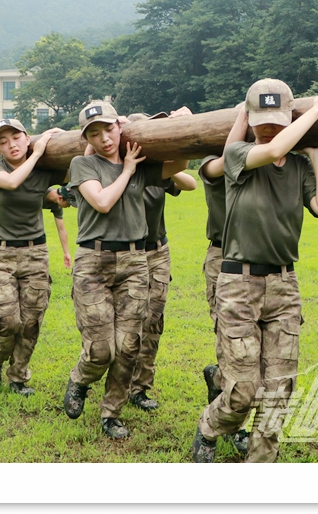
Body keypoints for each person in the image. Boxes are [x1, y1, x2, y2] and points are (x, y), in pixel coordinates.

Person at [192, 80, 318, 463]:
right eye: (260, 119)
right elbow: (273, 147)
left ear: (288, 116)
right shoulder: (238, 155)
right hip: (238, 283)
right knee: (244, 389)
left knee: (279, 389)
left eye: (277, 120)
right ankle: (210, 426)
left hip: (283, 284)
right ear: (248, 119)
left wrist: (316, 156)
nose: (270, 128)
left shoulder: (296, 167)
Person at [62, 100, 190, 440]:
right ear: (87, 137)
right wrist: (128, 171)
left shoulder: (141, 162)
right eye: (94, 132)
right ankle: (79, 379)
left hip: (135, 263)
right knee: (102, 348)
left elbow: (182, 163)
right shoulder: (82, 164)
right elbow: (102, 202)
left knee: (129, 345)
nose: (104, 138)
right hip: (94, 262)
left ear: (120, 128)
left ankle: (111, 412)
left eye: (108, 129)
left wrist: (181, 126)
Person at [0, 119, 66, 396]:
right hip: (0, 253)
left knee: (30, 322)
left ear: (27, 138)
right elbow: (12, 182)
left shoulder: (43, 172)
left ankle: (18, 377)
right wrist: (38, 152)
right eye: (3, 142)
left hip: (35, 253)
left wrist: (61, 136)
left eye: (16, 137)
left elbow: (81, 166)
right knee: (8, 319)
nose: (11, 145)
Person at [124, 110, 198, 413]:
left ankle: (140, 387)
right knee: (126, 322)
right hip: (126, 253)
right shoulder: (120, 169)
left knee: (152, 321)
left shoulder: (158, 173)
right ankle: (115, 381)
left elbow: (190, 183)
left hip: (157, 251)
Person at [193, 103, 252, 455]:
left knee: (253, 359)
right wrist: (241, 114)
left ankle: (218, 381)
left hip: (262, 263)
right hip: (223, 259)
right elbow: (232, 153)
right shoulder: (215, 165)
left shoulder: (262, 162)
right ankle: (233, 426)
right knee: (233, 348)